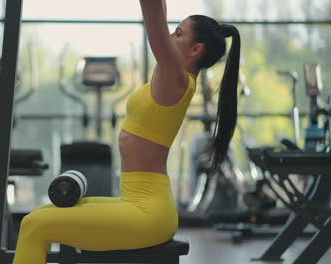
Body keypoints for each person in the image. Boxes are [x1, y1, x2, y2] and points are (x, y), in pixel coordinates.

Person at [13, 1, 241, 263]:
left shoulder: (176, 79)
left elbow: (153, 15)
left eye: (178, 33)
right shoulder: (170, 76)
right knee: (40, 215)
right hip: (138, 202)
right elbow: (160, 12)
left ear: (195, 49)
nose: (169, 36)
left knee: (34, 225)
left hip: (148, 214)